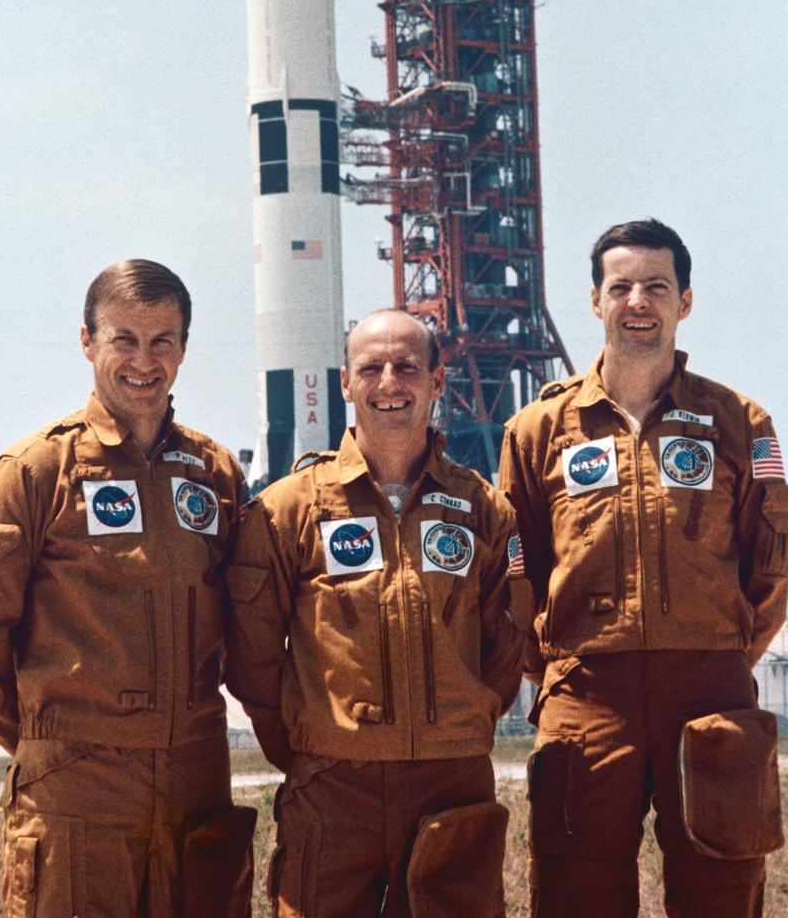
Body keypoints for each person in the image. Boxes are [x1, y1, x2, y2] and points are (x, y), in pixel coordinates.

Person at [0, 259, 255, 918]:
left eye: (162, 341)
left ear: (183, 349)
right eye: (124, 339)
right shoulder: (34, 475)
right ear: (87, 342)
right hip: (75, 795)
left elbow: (247, 627)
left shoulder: (216, 474)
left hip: (195, 783)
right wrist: (53, 743)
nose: (144, 360)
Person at [499, 219, 787, 918]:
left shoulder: (736, 421)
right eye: (619, 286)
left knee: (723, 890)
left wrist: (723, 651)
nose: (637, 302)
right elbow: (514, 567)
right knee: (574, 895)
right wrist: (556, 670)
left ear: (683, 301)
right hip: (586, 696)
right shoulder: (537, 430)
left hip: (710, 692)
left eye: (655, 287)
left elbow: (772, 559)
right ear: (593, 301)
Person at [225, 308, 531, 918]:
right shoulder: (289, 510)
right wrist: (316, 741)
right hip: (335, 790)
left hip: (452, 785)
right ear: (345, 383)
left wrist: (455, 723)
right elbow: (253, 655)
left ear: (437, 382)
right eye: (371, 368)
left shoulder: (482, 510)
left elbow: (507, 640)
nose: (389, 382)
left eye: (407, 367)